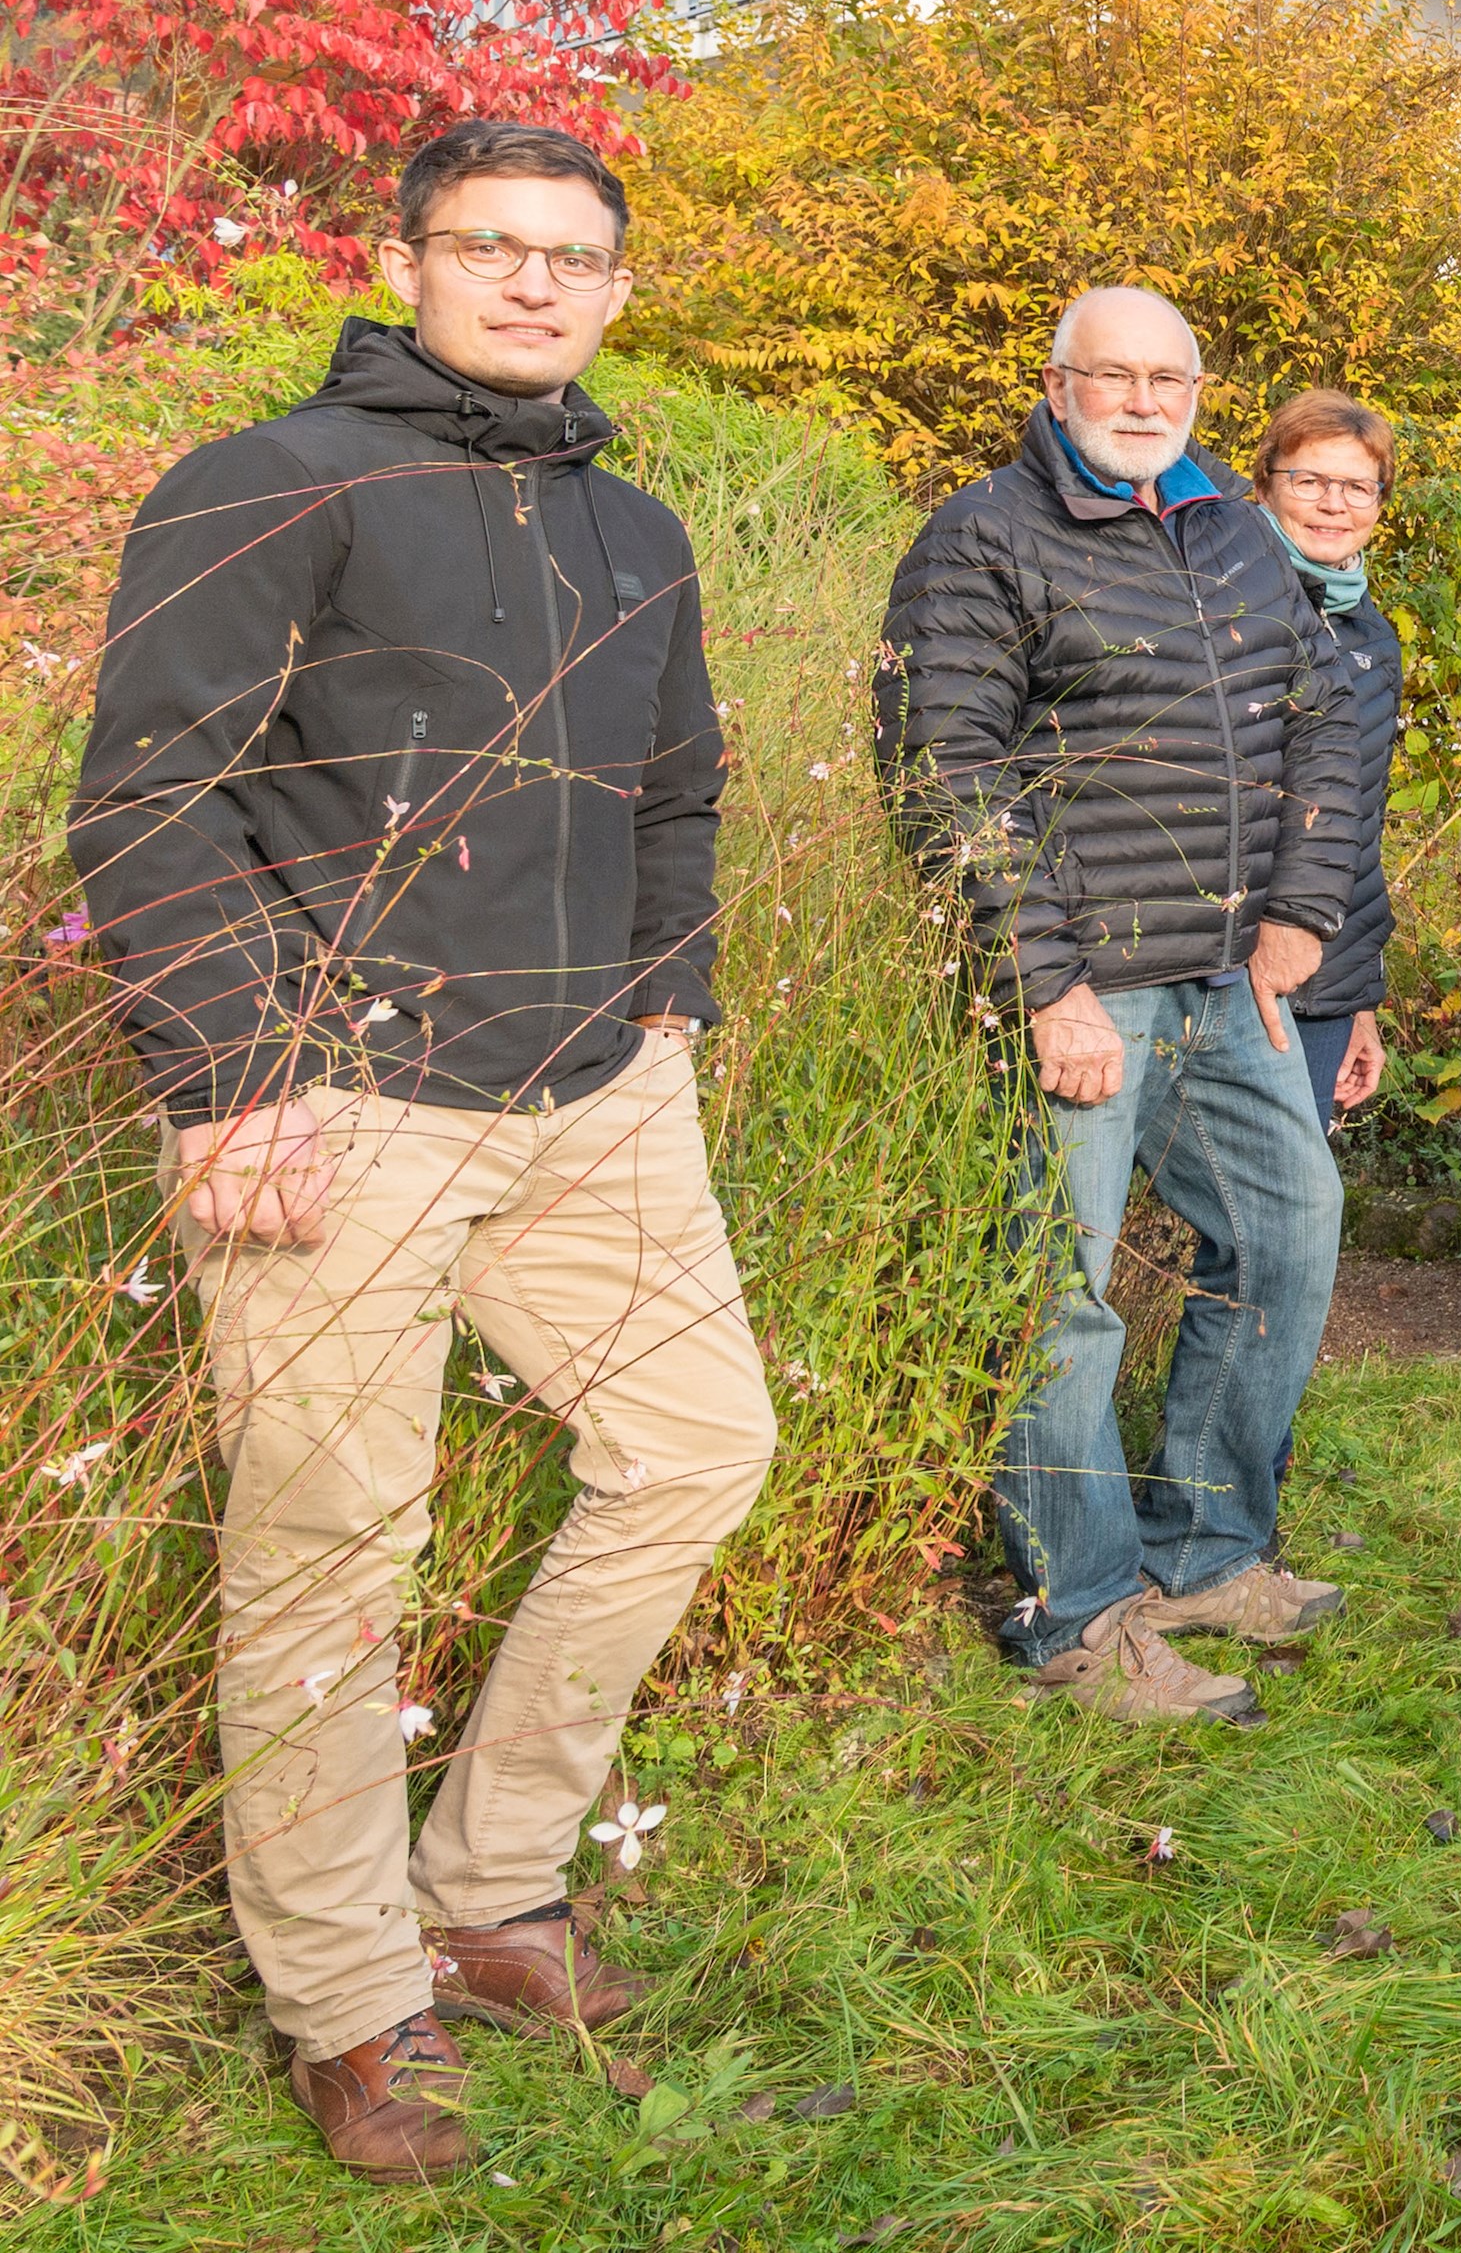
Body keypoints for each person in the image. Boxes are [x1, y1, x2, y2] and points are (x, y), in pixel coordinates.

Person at [66, 121, 777, 2179]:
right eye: (492, 248)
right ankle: (347, 1995)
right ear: (409, 260)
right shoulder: (272, 483)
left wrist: (672, 1003)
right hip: (338, 1102)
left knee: (699, 1447)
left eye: (573, 257)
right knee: (328, 1562)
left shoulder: (638, 527)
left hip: (594, 1099)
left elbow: (683, 792)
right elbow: (149, 798)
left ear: (619, 288)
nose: (534, 285)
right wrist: (227, 1078)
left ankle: (489, 1889)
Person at [880, 286, 1368, 1727]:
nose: (1146, 401)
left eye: (1173, 379)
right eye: (1116, 376)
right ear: (1055, 383)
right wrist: (1045, 983)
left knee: (1284, 1233)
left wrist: (1300, 915)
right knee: (1063, 1298)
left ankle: (1208, 1551)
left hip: (1227, 978)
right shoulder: (983, 537)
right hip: (1087, 987)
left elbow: (1322, 719)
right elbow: (943, 770)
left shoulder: (1229, 531)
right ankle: (1079, 1617)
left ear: (1202, 393)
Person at [1252, 391, 1405, 1120]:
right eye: (1308, 481)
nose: (1332, 505)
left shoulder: (1372, 635)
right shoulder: (1219, 607)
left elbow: (1357, 830)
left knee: (1286, 1219)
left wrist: (1358, 1001)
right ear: (1265, 485)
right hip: (1225, 968)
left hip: (1324, 981)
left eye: (1356, 487)